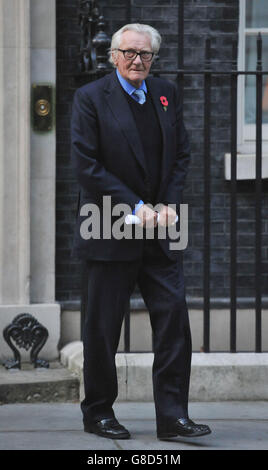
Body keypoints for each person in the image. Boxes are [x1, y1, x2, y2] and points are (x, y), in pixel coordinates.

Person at [71, 23, 211, 440]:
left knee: (173, 323)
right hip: (109, 228)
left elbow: (181, 153)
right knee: (102, 329)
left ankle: (173, 418)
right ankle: (98, 413)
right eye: (130, 53)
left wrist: (165, 204)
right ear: (114, 55)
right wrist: (135, 206)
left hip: (160, 231)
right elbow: (86, 166)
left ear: (153, 58)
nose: (137, 61)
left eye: (145, 54)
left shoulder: (166, 94)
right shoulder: (90, 98)